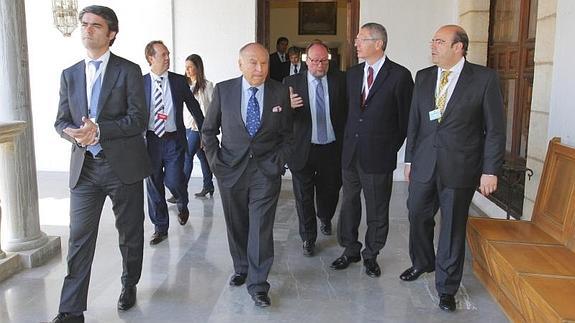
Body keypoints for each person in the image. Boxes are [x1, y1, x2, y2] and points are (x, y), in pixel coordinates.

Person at [53, 5, 152, 322]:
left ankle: (129, 283)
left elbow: (138, 120)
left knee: (130, 233)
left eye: (95, 25)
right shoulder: (69, 74)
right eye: (84, 24)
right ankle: (70, 310)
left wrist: (100, 130)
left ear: (111, 33)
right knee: (79, 238)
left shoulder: (129, 70)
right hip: (85, 169)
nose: (87, 29)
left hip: (122, 167)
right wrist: (73, 133)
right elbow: (60, 121)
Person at [400, 25, 505, 312]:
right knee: (416, 213)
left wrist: (490, 169)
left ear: (459, 47)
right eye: (432, 40)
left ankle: (447, 287)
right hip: (424, 163)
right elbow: (415, 122)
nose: (433, 46)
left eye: (440, 41)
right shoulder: (423, 77)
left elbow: (495, 129)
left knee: (452, 228)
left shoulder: (484, 79)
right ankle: (423, 262)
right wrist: (409, 160)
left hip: (461, 167)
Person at [202, 42, 293, 307]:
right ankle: (242, 267)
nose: (260, 68)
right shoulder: (224, 90)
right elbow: (208, 130)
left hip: (266, 171)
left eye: (264, 63)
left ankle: (258, 284)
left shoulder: (279, 92)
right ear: (240, 64)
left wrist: (279, 162)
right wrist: (215, 162)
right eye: (253, 62)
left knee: (261, 228)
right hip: (230, 170)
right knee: (237, 223)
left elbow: (288, 135)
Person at [331, 23, 414, 278]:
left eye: (361, 39)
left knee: (377, 208)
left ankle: (371, 254)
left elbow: (405, 120)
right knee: (349, 204)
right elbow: (346, 112)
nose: (355, 43)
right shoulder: (353, 74)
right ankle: (350, 249)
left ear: (378, 43)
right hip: (351, 153)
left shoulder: (399, 75)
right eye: (356, 39)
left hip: (379, 155)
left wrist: (389, 147)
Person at [284, 41, 347, 256]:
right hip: (303, 149)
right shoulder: (291, 82)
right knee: (303, 196)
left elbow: (347, 114)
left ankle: (326, 216)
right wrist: (288, 108)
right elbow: (281, 118)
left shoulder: (340, 80)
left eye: (324, 60)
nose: (320, 65)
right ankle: (308, 238)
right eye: (315, 61)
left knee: (329, 191)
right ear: (306, 61)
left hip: (331, 148)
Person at [143, 40, 204, 245]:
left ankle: (182, 202)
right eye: (163, 55)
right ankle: (160, 227)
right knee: (154, 186)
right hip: (150, 141)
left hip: (173, 141)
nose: (168, 58)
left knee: (174, 180)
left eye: (168, 54)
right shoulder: (140, 83)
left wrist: (205, 132)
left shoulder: (178, 81)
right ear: (151, 58)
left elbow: (193, 106)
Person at [167, 54, 214, 203]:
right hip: (186, 127)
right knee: (202, 157)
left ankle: (180, 192)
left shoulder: (207, 86)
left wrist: (204, 134)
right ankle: (208, 185)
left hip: (198, 129)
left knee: (187, 157)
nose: (186, 70)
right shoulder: (182, 84)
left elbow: (210, 109)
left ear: (197, 68)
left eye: (190, 67)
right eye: (185, 67)